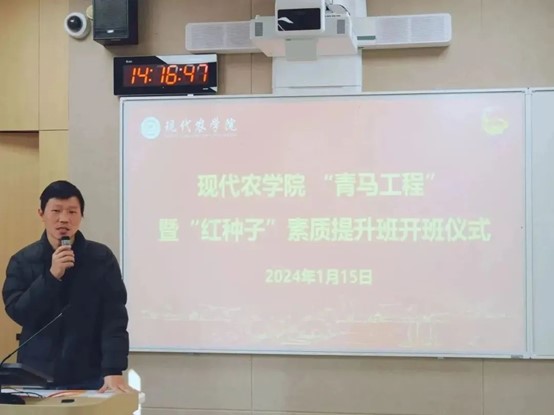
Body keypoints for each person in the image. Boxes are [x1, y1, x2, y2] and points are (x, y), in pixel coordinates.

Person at [2, 180, 134, 392]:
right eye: (56, 211)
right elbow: (19, 312)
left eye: (72, 212)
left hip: (90, 373)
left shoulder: (101, 258)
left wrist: (113, 369)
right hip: (35, 374)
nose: (64, 218)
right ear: (41, 213)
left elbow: (114, 318)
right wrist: (51, 277)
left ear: (82, 215)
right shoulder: (23, 260)